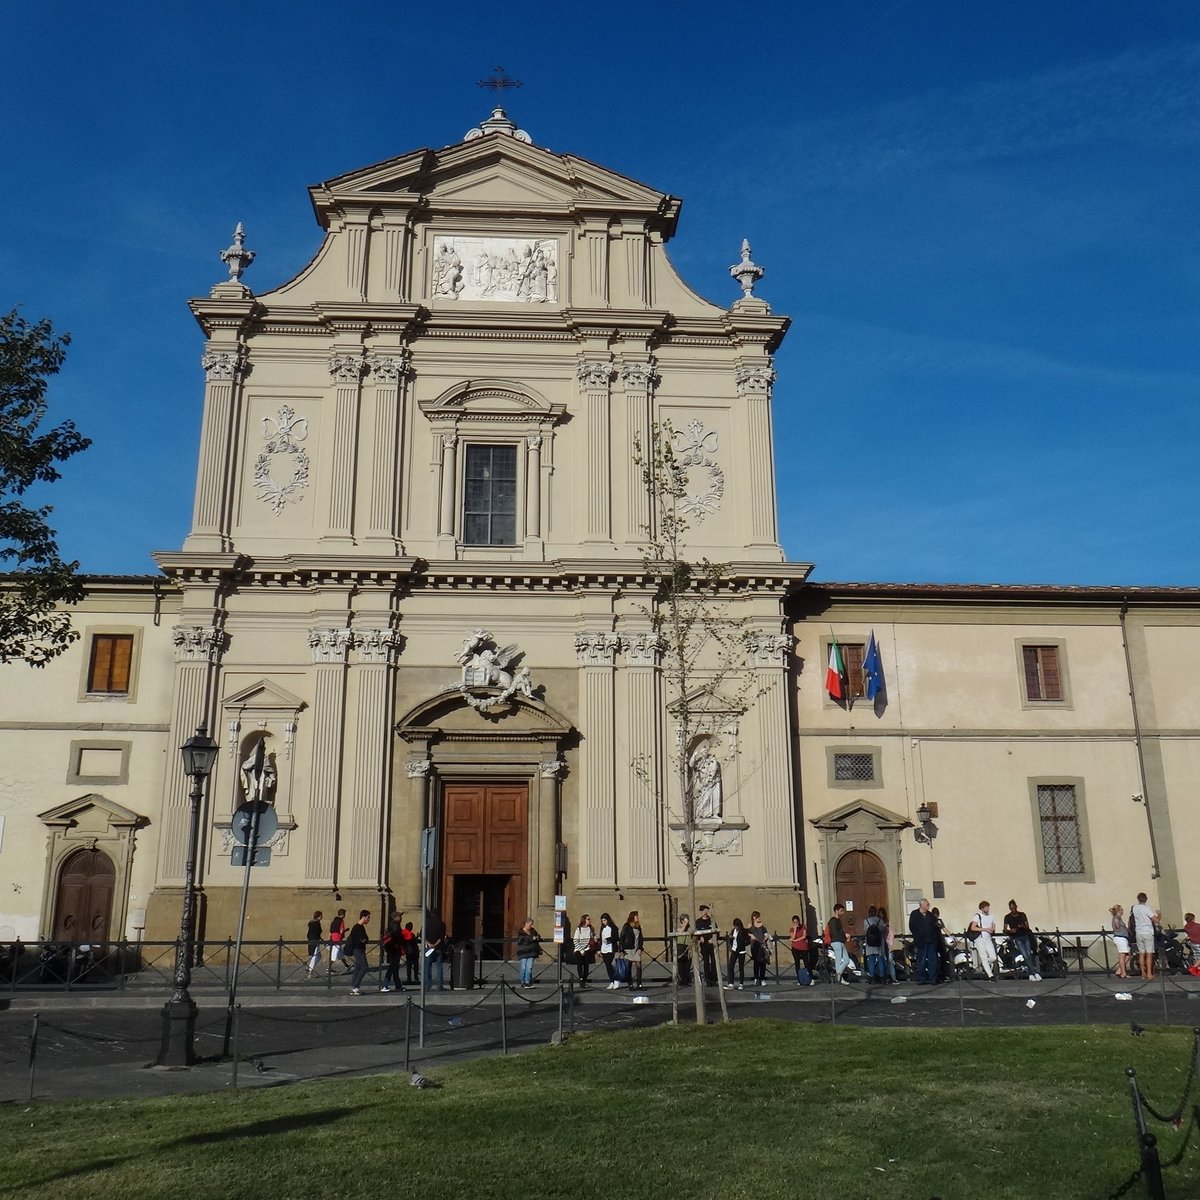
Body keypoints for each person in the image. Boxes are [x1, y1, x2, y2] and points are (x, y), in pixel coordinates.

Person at [1003, 899, 1040, 981]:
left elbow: (1027, 926)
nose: (1013, 910)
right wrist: (1011, 931)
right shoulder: (1007, 917)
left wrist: (1022, 926)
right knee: (1025, 955)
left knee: (1029, 954)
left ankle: (1031, 974)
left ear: (1016, 907)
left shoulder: (1022, 915)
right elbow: (1004, 929)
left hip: (1025, 935)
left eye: (1013, 908)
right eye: (1011, 908)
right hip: (1017, 937)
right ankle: (1035, 973)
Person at [909, 898, 940, 985]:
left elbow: (935, 926)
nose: (928, 906)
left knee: (932, 960)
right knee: (921, 961)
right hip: (921, 941)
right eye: (927, 904)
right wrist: (918, 935)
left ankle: (932, 978)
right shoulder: (914, 914)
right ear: (922, 905)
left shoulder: (930, 915)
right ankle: (922, 978)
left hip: (931, 941)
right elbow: (912, 926)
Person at [1130, 893, 1160, 980]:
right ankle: (1149, 973)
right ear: (1146, 899)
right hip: (1147, 932)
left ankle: (1143, 973)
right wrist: (1159, 914)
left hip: (1138, 932)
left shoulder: (1135, 908)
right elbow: (1156, 920)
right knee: (1149, 954)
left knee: (1141, 954)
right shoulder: (1147, 908)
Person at [968, 901, 997, 979]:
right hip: (980, 939)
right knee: (983, 956)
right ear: (982, 908)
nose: (988, 909)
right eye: (986, 907)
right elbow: (973, 927)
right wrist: (985, 929)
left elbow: (993, 927)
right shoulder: (978, 916)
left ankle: (984, 965)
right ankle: (990, 975)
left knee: (993, 957)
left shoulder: (992, 917)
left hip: (988, 939)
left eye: (988, 907)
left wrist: (992, 930)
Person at [827, 903, 853, 985]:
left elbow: (840, 931)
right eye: (841, 911)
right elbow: (834, 932)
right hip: (836, 942)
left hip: (840, 941)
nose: (843, 913)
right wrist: (844, 936)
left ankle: (838, 974)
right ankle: (839, 977)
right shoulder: (833, 921)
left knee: (846, 960)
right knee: (838, 960)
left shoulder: (838, 921)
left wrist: (845, 936)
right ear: (836, 911)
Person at [347, 910, 371, 995]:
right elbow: (361, 939)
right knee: (364, 967)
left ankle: (353, 986)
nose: (368, 920)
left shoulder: (359, 927)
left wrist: (364, 940)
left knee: (357, 969)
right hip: (358, 950)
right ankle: (356, 986)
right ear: (363, 917)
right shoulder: (357, 927)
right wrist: (363, 940)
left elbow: (364, 938)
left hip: (359, 949)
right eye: (368, 918)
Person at [424, 908, 447, 991]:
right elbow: (442, 937)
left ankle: (427, 986)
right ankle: (439, 986)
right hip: (438, 948)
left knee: (427, 966)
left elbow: (423, 935)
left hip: (428, 947)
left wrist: (429, 944)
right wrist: (435, 944)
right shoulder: (441, 923)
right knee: (439, 966)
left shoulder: (426, 923)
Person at [695, 905, 718, 986]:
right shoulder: (698, 922)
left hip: (712, 945)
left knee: (714, 962)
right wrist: (699, 937)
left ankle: (714, 980)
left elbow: (717, 932)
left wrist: (713, 938)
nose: (705, 912)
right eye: (704, 910)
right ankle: (708, 980)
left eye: (706, 910)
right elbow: (695, 933)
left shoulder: (711, 921)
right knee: (706, 963)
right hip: (704, 946)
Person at [619, 911, 643, 989]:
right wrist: (621, 949)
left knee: (639, 966)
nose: (638, 918)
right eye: (637, 916)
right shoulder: (626, 926)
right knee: (628, 967)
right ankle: (630, 984)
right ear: (633, 917)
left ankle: (639, 984)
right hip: (628, 948)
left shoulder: (638, 926)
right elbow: (622, 937)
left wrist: (640, 948)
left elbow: (641, 938)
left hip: (636, 949)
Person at [381, 914, 404, 993]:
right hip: (394, 949)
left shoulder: (393, 925)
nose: (401, 918)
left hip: (392, 949)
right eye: (399, 916)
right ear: (395, 917)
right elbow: (396, 936)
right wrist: (400, 942)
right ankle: (385, 985)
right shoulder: (395, 925)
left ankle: (398, 985)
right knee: (392, 967)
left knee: (395, 968)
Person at [747, 911, 771, 987]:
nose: (759, 918)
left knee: (763, 963)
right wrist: (750, 935)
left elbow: (766, 933)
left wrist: (765, 938)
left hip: (762, 946)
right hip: (755, 946)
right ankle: (756, 978)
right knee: (756, 962)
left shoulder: (762, 926)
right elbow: (747, 934)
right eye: (758, 917)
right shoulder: (750, 926)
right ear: (754, 917)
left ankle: (762, 979)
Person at [863, 905, 886, 982]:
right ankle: (882, 977)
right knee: (880, 959)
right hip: (878, 942)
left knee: (871, 960)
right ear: (876, 912)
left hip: (870, 942)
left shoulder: (866, 920)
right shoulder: (880, 920)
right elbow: (882, 930)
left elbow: (865, 931)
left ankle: (872, 977)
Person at [788, 915, 813, 985]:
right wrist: (795, 929)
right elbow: (792, 937)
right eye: (794, 922)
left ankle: (811, 978)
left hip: (803, 947)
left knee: (806, 963)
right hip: (795, 948)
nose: (796, 924)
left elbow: (804, 936)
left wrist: (796, 940)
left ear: (799, 922)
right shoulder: (792, 929)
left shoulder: (803, 927)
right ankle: (800, 980)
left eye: (797, 922)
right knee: (797, 964)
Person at [515, 917, 540, 987]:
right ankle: (522, 981)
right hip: (523, 951)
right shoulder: (520, 931)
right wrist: (532, 938)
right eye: (530, 924)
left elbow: (538, 936)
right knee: (523, 967)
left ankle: (527, 981)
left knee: (529, 967)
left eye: (532, 924)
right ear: (526, 924)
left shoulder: (533, 930)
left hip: (531, 951)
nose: (531, 926)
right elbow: (522, 940)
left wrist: (537, 937)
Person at [572, 914, 596, 987]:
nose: (589, 920)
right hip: (579, 949)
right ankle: (581, 978)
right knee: (580, 964)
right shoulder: (579, 929)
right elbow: (575, 941)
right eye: (588, 919)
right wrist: (581, 950)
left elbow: (592, 939)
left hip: (587, 949)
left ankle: (584, 979)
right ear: (584, 920)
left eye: (589, 919)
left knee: (586, 965)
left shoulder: (591, 929)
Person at [725, 917, 749, 989]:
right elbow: (730, 938)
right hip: (734, 950)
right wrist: (730, 939)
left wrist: (743, 944)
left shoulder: (743, 931)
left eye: (737, 926)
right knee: (731, 966)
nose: (736, 927)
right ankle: (731, 983)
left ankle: (741, 983)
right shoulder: (733, 931)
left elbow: (747, 941)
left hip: (741, 951)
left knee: (741, 968)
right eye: (735, 925)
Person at [1110, 904, 1131, 979]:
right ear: (1118, 911)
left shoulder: (1119, 918)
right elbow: (1117, 927)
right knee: (1122, 956)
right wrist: (1120, 928)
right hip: (1120, 938)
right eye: (1121, 909)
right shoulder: (1116, 918)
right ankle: (1123, 973)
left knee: (1128, 955)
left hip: (1123, 938)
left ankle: (1119, 970)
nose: (1123, 911)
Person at [598, 913, 619, 988]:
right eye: (602, 921)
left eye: (604, 920)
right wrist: (599, 949)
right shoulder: (602, 928)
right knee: (607, 965)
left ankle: (616, 979)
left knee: (610, 965)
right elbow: (600, 939)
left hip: (611, 948)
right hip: (604, 948)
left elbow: (616, 937)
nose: (603, 922)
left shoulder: (613, 927)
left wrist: (610, 939)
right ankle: (611, 981)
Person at [878, 906, 897, 983]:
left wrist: (891, 944)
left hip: (887, 944)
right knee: (883, 961)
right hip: (880, 944)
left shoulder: (887, 922)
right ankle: (884, 977)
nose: (880, 915)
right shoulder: (878, 922)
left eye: (881, 913)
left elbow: (891, 933)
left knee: (889, 960)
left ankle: (893, 978)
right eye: (879, 913)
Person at [329, 908, 350, 973]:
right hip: (338, 938)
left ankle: (346, 965)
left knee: (341, 954)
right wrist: (345, 931)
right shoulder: (341, 921)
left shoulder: (334, 921)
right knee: (334, 954)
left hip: (333, 937)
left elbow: (331, 930)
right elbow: (341, 930)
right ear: (343, 914)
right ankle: (329, 968)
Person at [675, 913, 693, 987]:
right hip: (680, 947)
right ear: (682, 921)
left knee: (687, 965)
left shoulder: (689, 929)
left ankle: (685, 981)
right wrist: (685, 924)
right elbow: (680, 932)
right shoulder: (678, 928)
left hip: (688, 947)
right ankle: (681, 980)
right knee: (681, 965)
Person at [305, 910, 323, 977]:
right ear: (318, 916)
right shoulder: (316, 923)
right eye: (321, 915)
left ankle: (309, 968)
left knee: (318, 956)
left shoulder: (312, 923)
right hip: (315, 941)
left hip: (311, 940)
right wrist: (319, 939)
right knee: (315, 956)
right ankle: (310, 970)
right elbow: (316, 933)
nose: (322, 917)